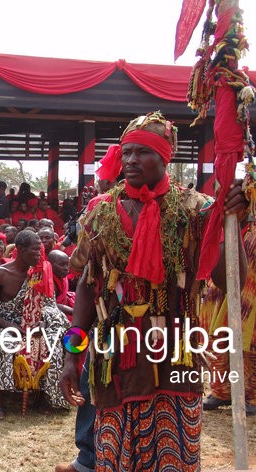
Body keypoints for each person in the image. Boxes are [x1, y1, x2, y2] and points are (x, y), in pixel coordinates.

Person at [60, 111, 248, 471]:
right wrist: (72, 354)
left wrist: (232, 223)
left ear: (165, 157)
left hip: (175, 356)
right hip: (115, 357)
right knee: (114, 458)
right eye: (126, 152)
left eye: (142, 153)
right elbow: (87, 288)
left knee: (174, 456)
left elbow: (230, 280)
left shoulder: (197, 210)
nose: (130, 160)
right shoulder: (100, 212)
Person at [0, 229, 70, 420]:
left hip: (33, 323)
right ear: (21, 249)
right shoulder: (0, 274)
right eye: (35, 250)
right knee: (7, 343)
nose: (40, 255)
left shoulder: (40, 274)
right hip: (4, 323)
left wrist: (40, 322)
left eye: (40, 250)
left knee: (54, 342)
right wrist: (8, 325)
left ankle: (43, 397)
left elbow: (49, 305)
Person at [200, 225, 256, 416]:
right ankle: (221, 390)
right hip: (238, 237)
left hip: (251, 270)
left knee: (250, 333)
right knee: (218, 329)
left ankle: (252, 394)